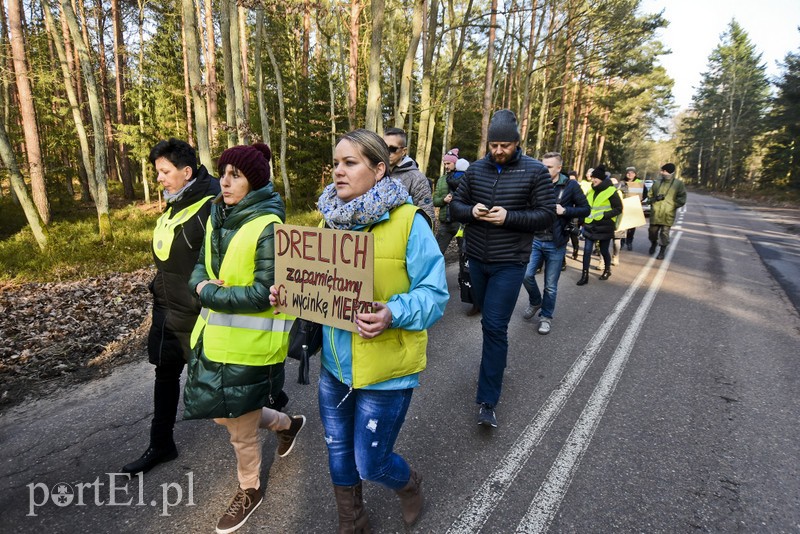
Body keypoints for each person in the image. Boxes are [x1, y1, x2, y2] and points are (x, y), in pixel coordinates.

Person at [277, 129, 447, 531]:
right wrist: (290, 292)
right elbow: (318, 286)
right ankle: (351, 520)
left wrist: (393, 312)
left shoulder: (409, 222)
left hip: (386, 371)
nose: (338, 171)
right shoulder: (328, 221)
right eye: (336, 163)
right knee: (338, 451)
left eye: (350, 163)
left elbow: (435, 294)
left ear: (379, 169)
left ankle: (409, 483)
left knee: (370, 462)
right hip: (335, 367)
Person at [183, 143, 305, 534]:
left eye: (235, 175)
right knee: (226, 412)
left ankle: (249, 489)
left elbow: (262, 293)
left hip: (252, 347)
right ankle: (286, 424)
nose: (225, 181)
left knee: (239, 428)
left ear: (253, 181)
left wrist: (208, 293)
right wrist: (200, 284)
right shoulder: (217, 215)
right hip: (215, 339)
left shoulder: (268, 226)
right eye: (223, 173)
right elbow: (200, 267)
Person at [450, 109, 556, 427]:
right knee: (487, 319)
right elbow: (455, 207)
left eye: (505, 145)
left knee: (495, 327)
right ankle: (494, 365)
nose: (498, 150)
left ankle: (487, 401)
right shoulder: (476, 169)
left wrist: (509, 217)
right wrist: (472, 211)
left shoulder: (535, 171)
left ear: (517, 142)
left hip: (510, 262)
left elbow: (546, 215)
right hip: (476, 259)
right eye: (493, 145)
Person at [121, 139, 220, 475]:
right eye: (157, 172)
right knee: (165, 374)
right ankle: (161, 443)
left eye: (164, 172)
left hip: (199, 312)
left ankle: (277, 411)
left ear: (186, 172)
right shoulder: (176, 202)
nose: (159, 178)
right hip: (166, 307)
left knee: (222, 383)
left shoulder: (213, 205)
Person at [521, 152, 589, 335]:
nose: (544, 170)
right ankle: (536, 301)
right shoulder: (536, 183)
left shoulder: (570, 185)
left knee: (550, 285)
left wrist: (565, 210)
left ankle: (546, 317)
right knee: (525, 275)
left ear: (559, 168)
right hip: (535, 239)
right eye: (542, 166)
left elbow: (585, 209)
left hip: (556, 242)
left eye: (549, 167)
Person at [576, 165, 622, 286]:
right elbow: (587, 207)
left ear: (601, 178)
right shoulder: (591, 191)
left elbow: (618, 208)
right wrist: (581, 220)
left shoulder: (611, 191)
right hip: (590, 225)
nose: (592, 180)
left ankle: (607, 270)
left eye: (595, 178)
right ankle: (584, 275)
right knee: (587, 251)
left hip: (605, 226)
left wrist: (605, 215)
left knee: (603, 250)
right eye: (592, 178)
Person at [383, 127, 436, 221]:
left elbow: (427, 216)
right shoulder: (375, 173)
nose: (387, 153)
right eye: (384, 148)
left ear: (404, 151)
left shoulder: (417, 179)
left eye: (392, 149)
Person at [648, 162, 687, 259]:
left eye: (663, 171)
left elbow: (682, 198)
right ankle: (653, 243)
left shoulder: (678, 184)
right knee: (652, 232)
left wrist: (673, 205)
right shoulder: (657, 183)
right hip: (656, 212)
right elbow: (649, 196)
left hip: (668, 213)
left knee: (664, 233)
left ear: (669, 172)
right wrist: (654, 199)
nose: (661, 172)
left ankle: (662, 251)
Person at [433, 147, 466, 253]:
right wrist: (444, 200)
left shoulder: (464, 177)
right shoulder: (441, 180)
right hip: (445, 223)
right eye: (445, 164)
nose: (446, 166)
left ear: (455, 163)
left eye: (449, 163)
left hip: (460, 223)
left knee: (464, 252)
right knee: (436, 252)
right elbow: (435, 201)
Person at [623, 166, 646, 251]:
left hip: (633, 207)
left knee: (631, 227)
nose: (630, 174)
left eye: (632, 173)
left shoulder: (639, 183)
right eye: (628, 173)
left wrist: (640, 200)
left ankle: (629, 242)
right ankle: (621, 241)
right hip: (623, 206)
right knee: (622, 226)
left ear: (635, 174)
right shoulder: (622, 182)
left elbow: (645, 193)